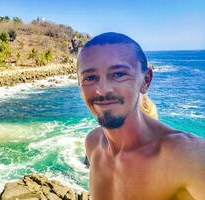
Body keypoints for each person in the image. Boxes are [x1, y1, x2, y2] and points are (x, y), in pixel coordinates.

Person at [77, 32, 205, 200]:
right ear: (80, 84)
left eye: (118, 74)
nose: (102, 89)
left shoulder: (188, 156)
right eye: (90, 77)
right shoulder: (92, 143)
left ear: (145, 81)